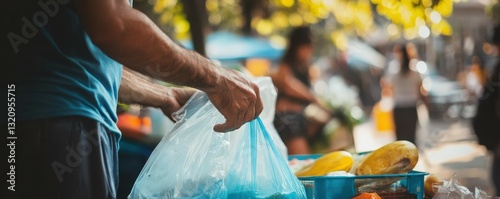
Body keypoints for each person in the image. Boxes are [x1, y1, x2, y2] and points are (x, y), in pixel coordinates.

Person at [2, 0, 263, 198]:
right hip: (59, 128)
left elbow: (93, 64)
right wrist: (215, 76)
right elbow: (115, 25)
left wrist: (165, 94)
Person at [270, 27, 326, 155]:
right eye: (306, 46)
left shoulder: (305, 66)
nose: (309, 51)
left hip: (301, 119)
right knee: (302, 160)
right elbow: (288, 86)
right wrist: (312, 98)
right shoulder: (285, 66)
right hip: (288, 120)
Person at [383, 44, 426, 145]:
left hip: (399, 107)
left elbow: (387, 88)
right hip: (411, 107)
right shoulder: (415, 68)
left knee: (400, 140)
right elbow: (420, 88)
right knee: (411, 139)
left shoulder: (393, 69)